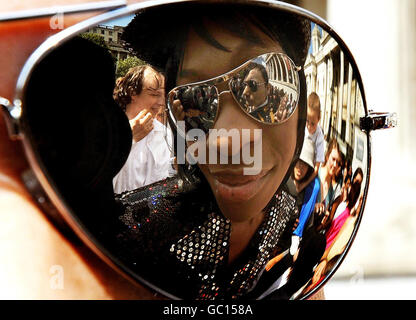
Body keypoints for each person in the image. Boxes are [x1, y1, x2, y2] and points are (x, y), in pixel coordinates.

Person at [0, 0, 324, 301]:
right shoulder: (138, 228)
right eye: (194, 98)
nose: (224, 142)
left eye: (256, 86)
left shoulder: (301, 209)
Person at [114, 3, 317, 299]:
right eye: (195, 97)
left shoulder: (291, 209)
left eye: (262, 87)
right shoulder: (130, 230)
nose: (225, 143)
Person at [112, 65, 174, 193]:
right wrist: (128, 138)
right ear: (133, 92)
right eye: (154, 94)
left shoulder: (166, 135)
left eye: (163, 95)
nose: (161, 102)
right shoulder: (108, 130)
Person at [296, 92, 325, 192]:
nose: (308, 126)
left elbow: (316, 169)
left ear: (319, 118)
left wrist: (303, 185)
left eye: (313, 123)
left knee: (316, 187)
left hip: (308, 172)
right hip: (296, 165)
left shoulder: (319, 136)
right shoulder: (301, 126)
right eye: (307, 121)